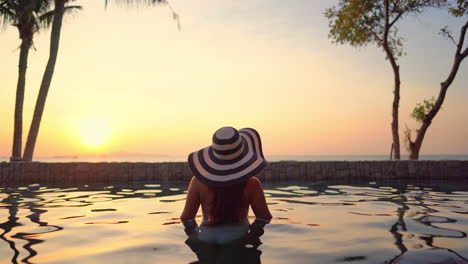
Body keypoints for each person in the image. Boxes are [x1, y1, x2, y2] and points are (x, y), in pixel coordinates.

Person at [180, 126, 272, 250]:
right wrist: (253, 237)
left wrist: (195, 239)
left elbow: (187, 218)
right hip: (238, 236)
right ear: (243, 153)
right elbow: (264, 218)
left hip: (206, 236)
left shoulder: (197, 182)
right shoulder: (252, 184)